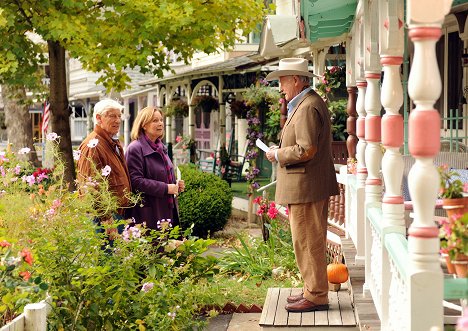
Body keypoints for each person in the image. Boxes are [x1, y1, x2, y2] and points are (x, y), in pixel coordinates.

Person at [264, 58, 339, 312]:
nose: (280, 87)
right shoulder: (306, 103)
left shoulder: (307, 106)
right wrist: (280, 150)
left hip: (307, 187)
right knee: (306, 240)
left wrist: (278, 154)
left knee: (308, 241)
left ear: (296, 80)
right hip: (306, 186)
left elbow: (306, 149)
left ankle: (317, 295)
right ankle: (312, 289)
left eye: (282, 81)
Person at [77, 99, 132, 240]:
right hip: (105, 218)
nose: (117, 120)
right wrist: (106, 218)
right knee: (107, 259)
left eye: (119, 116)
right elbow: (89, 186)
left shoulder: (110, 142)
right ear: (98, 118)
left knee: (116, 259)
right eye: (112, 116)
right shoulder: (93, 145)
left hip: (116, 214)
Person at [125, 106, 185, 231]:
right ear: (144, 125)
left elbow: (163, 174)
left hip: (166, 209)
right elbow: (135, 181)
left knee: (168, 247)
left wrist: (175, 184)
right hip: (147, 214)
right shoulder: (135, 148)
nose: (160, 124)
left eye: (161, 120)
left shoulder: (161, 147)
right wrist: (166, 188)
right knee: (154, 248)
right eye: (155, 120)